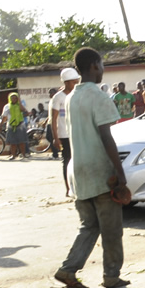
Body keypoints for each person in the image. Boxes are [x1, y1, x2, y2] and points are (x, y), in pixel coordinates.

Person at [54, 48, 130, 288]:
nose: (103, 69)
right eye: (102, 64)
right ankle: (111, 276)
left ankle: (68, 269)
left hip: (78, 171)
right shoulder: (98, 97)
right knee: (111, 229)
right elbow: (106, 137)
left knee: (89, 226)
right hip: (99, 170)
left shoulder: (70, 97)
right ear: (95, 66)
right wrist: (120, 172)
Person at [50, 67, 79, 195]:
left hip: (76, 132)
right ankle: (68, 188)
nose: (76, 84)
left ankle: (78, 185)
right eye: (74, 82)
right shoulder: (58, 98)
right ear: (66, 82)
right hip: (64, 134)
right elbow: (54, 118)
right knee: (67, 161)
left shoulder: (76, 95)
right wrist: (56, 138)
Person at [2, 92, 28, 159]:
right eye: (12, 98)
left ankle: (23, 155)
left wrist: (19, 103)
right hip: (11, 126)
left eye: (16, 98)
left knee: (21, 142)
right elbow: (4, 117)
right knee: (12, 142)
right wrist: (0, 125)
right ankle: (13, 155)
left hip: (20, 126)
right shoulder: (7, 106)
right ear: (10, 99)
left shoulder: (19, 105)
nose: (14, 99)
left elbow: (24, 111)